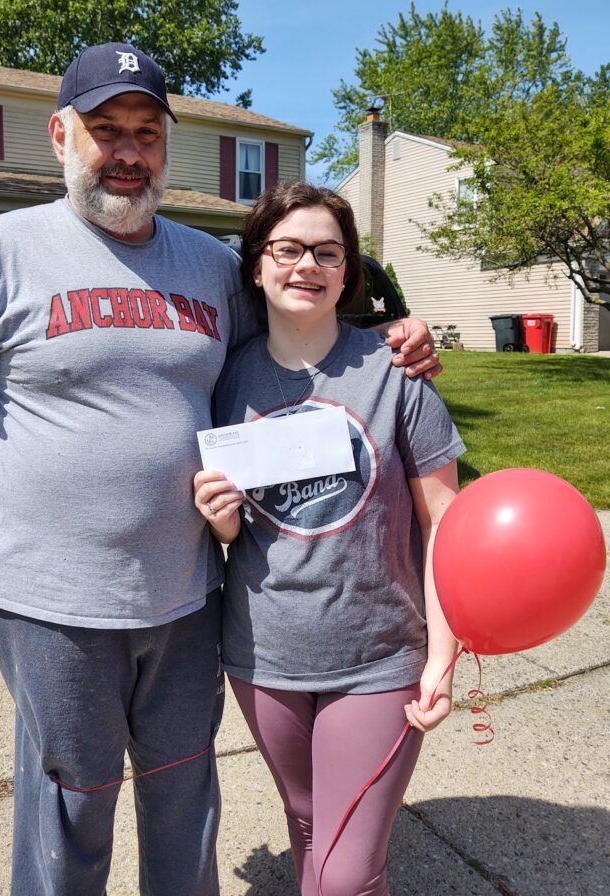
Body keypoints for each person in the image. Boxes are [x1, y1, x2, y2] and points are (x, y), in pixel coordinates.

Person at [0, 43, 441, 896]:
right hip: (51, 608)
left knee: (186, 804)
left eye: (147, 131)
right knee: (71, 815)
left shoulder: (211, 265)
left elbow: (307, 319)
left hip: (188, 601)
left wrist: (398, 337)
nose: (128, 150)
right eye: (105, 129)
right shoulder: (1, 251)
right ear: (61, 136)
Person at [194, 181, 465, 896]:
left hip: (377, 658)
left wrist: (443, 654)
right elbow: (234, 529)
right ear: (257, 264)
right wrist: (220, 516)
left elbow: (447, 523)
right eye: (287, 248)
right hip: (264, 656)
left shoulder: (396, 372)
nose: (305, 265)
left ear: (348, 272)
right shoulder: (227, 381)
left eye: (327, 251)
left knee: (345, 873)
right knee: (310, 822)